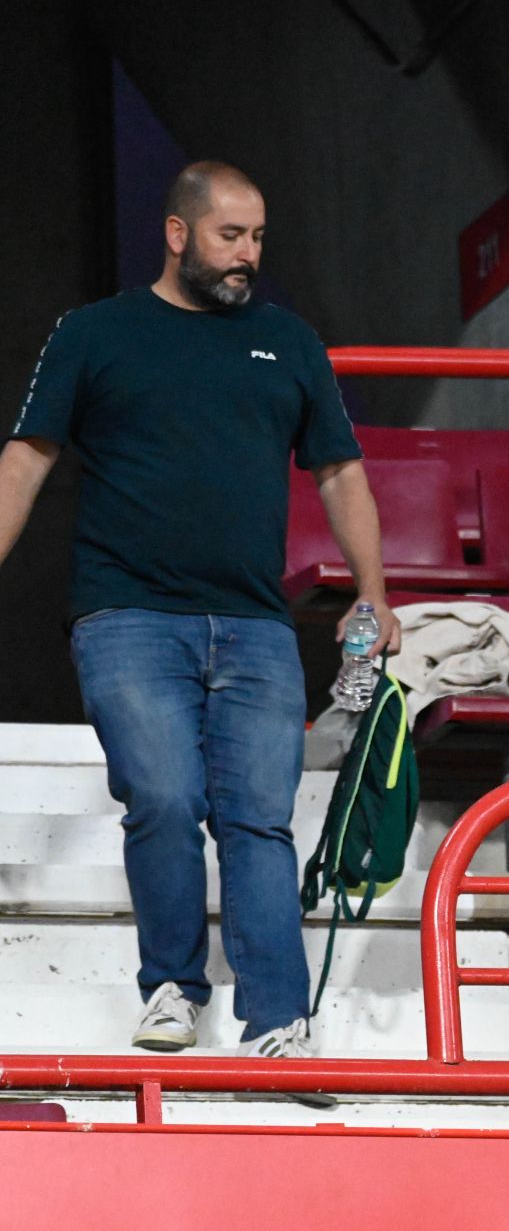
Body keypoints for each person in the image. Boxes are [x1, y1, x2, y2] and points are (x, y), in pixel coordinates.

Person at [0, 161, 399, 1058]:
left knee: (259, 817)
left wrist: (373, 593)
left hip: (256, 627)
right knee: (167, 796)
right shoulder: (94, 333)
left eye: (258, 237)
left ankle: (278, 1022)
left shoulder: (289, 342)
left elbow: (340, 472)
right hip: (127, 617)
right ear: (177, 234)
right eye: (230, 236)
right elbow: (24, 461)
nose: (248, 255)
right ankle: (173, 988)